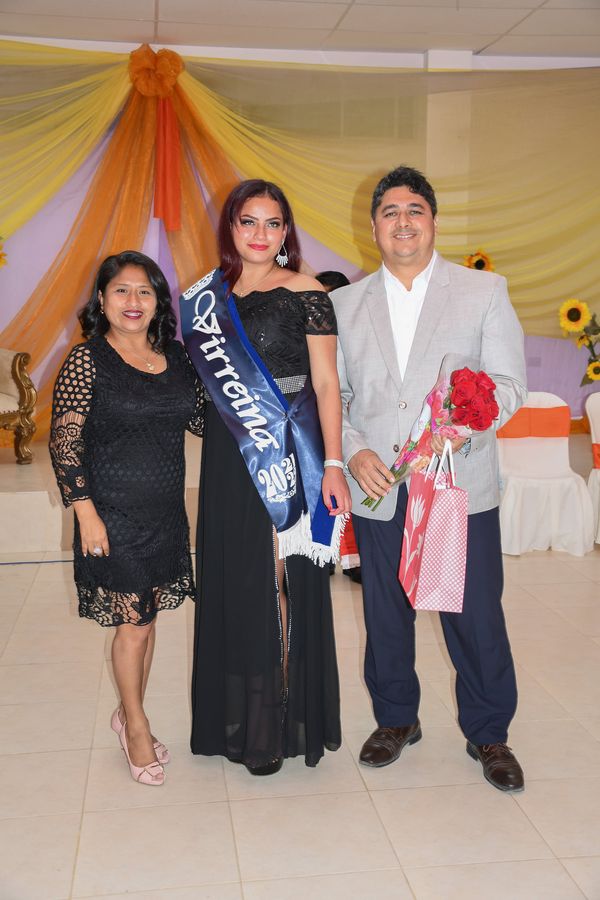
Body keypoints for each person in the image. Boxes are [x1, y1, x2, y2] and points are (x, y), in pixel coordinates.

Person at [332, 165, 527, 792]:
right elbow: (335, 397)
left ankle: (489, 731)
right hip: (381, 488)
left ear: (433, 222)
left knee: (473, 614)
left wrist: (463, 426)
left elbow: (509, 384)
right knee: (385, 613)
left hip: (457, 486)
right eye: (390, 212)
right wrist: (354, 451)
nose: (403, 222)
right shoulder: (344, 304)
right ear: (373, 228)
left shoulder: (483, 291)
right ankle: (396, 719)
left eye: (414, 209)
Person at [187, 179, 351, 775]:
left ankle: (282, 719)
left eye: (273, 222)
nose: (260, 234)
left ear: (286, 231)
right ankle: (244, 718)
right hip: (230, 457)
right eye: (248, 221)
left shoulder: (306, 291)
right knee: (240, 580)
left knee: (283, 580)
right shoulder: (206, 298)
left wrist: (333, 463)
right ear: (230, 227)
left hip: (289, 450)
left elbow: (327, 384)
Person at [49, 250, 204, 786]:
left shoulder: (175, 356)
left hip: (165, 513)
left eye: (144, 291)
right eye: (121, 290)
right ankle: (135, 725)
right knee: (133, 625)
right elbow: (65, 443)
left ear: (158, 301)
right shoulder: (86, 360)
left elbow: (204, 420)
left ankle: (128, 710)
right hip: (111, 515)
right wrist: (86, 515)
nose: (133, 301)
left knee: (147, 618)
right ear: (102, 299)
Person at [316, 270, 362, 585]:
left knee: (353, 486)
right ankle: (322, 554)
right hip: (315, 422)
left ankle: (353, 558)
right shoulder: (306, 333)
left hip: (352, 426)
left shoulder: (358, 333)